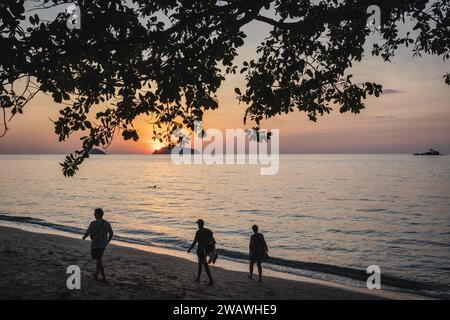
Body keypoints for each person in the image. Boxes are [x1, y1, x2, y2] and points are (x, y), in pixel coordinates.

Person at [82, 208, 114, 281]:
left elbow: (88, 232)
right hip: (103, 245)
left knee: (99, 260)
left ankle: (103, 277)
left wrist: (84, 237)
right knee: (98, 259)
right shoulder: (107, 223)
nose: (94, 214)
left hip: (95, 245)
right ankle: (96, 274)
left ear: (97, 215)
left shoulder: (93, 223)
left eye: (95, 213)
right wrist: (107, 241)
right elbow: (111, 233)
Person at [187, 219, 215, 286]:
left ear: (199, 224)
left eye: (198, 224)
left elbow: (194, 242)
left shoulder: (198, 232)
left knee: (205, 266)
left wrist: (190, 249)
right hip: (206, 250)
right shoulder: (207, 231)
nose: (197, 225)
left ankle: (211, 281)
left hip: (201, 251)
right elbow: (212, 241)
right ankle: (198, 278)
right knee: (200, 264)